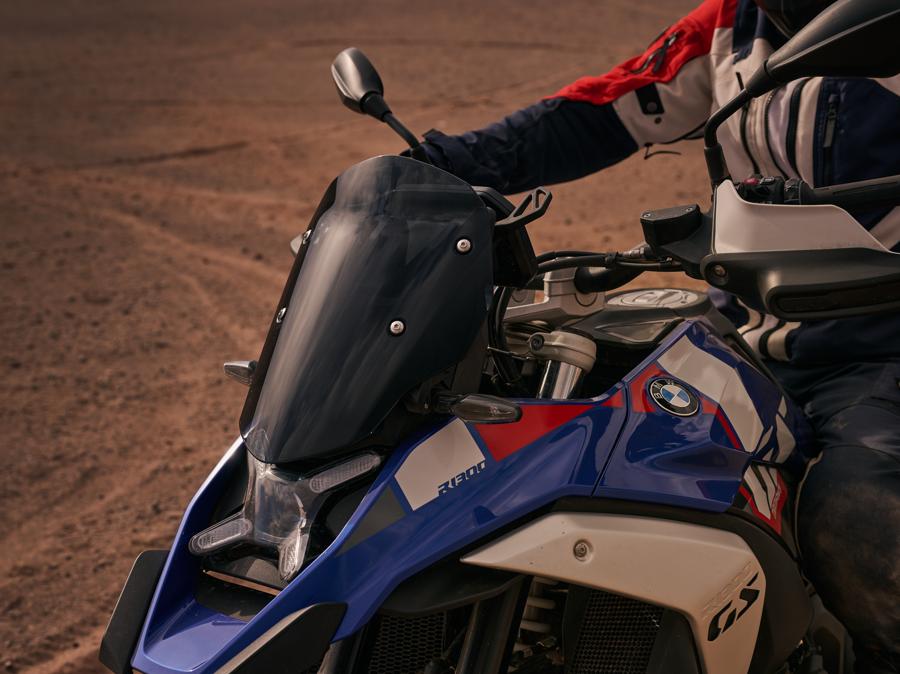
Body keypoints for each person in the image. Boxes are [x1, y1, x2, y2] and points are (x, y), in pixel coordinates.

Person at [416, 0, 900, 671]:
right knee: (573, 433)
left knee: (853, 512)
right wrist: (432, 165)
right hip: (739, 335)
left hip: (879, 348)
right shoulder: (731, 23)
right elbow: (597, 113)